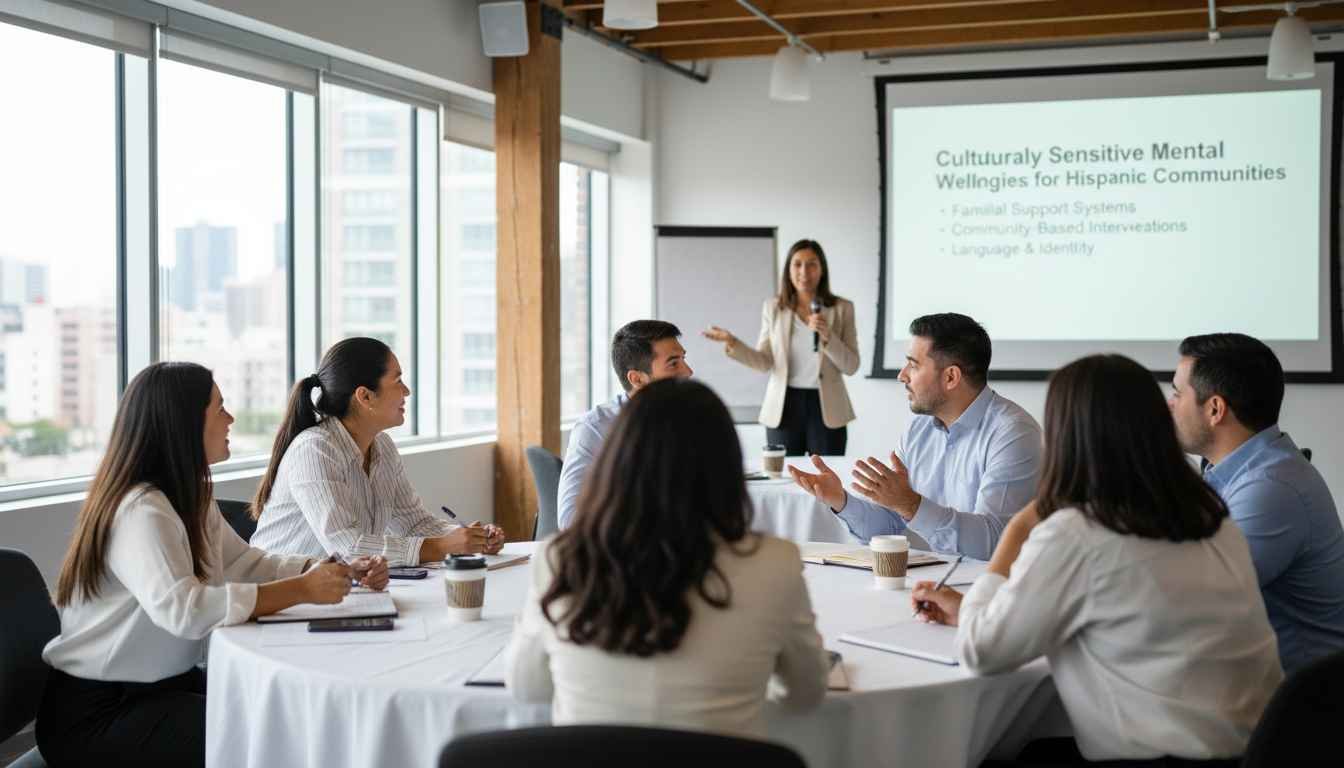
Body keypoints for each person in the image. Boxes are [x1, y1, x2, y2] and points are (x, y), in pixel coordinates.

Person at [912, 355, 1282, 766]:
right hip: (1251, 751)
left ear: (1066, 434)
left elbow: (982, 652)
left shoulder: (1077, 533)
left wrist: (1017, 530)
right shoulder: (1213, 520)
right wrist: (974, 610)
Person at [37, 362, 388, 768]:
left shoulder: (189, 496)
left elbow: (245, 563)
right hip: (99, 713)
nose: (231, 418)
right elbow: (182, 610)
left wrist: (326, 566)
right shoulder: (140, 508)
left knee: (291, 716)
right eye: (219, 407)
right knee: (274, 738)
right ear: (185, 422)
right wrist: (302, 590)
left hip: (164, 688)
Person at [508, 378, 828, 737]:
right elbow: (805, 696)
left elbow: (527, 688)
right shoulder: (775, 562)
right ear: (726, 466)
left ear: (617, 461)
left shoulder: (561, 557)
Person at [790, 313, 1040, 559]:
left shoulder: (1013, 434)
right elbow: (888, 527)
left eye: (913, 364)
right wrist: (842, 501)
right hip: (928, 585)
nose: (902, 375)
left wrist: (912, 506)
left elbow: (995, 544)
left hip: (984, 591)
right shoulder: (918, 429)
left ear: (951, 377)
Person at [1169, 333, 1344, 674]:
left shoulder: (1270, 489)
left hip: (1303, 706)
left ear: (1215, 409)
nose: (1169, 404)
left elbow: (1194, 602)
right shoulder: (1238, 471)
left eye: (1177, 392)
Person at [251, 337, 503, 564]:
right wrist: (443, 547)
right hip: (280, 597)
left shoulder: (383, 447)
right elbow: (348, 548)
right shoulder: (315, 450)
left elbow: (413, 522)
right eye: (398, 381)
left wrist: (469, 538)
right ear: (365, 397)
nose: (407, 391)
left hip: (335, 591)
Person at [703, 239, 859, 456]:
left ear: (822, 269)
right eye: (797, 264)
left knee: (826, 478)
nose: (804, 271)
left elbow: (851, 366)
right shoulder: (774, 307)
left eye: (812, 264)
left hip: (827, 408)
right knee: (784, 477)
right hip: (784, 406)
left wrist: (827, 336)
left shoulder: (842, 308)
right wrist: (733, 343)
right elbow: (764, 361)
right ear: (788, 269)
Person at [556, 320, 692, 529]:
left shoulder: (690, 420)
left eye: (684, 359)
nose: (688, 371)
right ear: (637, 379)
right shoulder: (596, 428)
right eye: (674, 363)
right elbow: (570, 519)